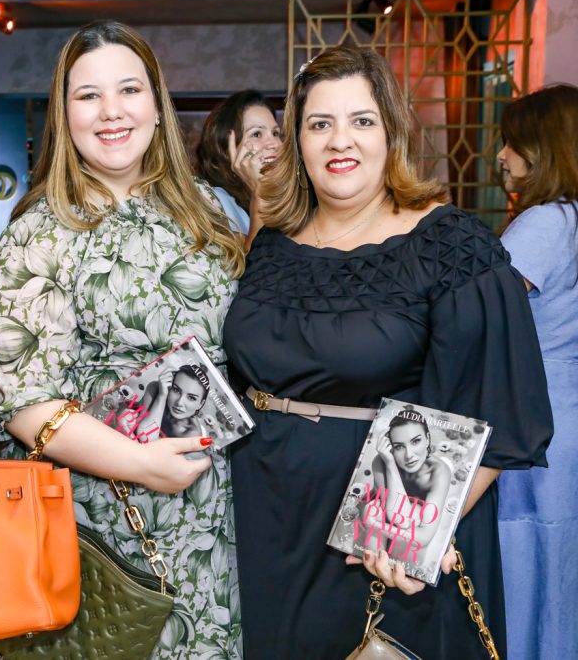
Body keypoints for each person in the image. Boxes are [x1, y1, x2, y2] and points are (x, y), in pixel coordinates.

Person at [223, 46, 553, 659]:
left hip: (380, 527)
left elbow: (503, 408)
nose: (339, 140)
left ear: (392, 131)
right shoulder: (270, 243)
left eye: (361, 120)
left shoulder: (449, 243)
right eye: (320, 124)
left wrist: (412, 528)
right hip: (266, 514)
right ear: (297, 139)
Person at [0, 21, 245, 658]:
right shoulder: (38, 231)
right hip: (100, 522)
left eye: (128, 90)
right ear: (64, 115)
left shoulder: (207, 211)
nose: (111, 111)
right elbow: (24, 404)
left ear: (157, 106)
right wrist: (143, 467)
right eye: (87, 95)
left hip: (219, 515)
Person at [494, 83, 578, 660]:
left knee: (535, 577)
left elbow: (482, 325)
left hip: (541, 425)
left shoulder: (544, 225)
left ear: (544, 150)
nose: (501, 155)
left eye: (511, 143)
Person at [195, 90, 281, 247]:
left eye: (275, 133)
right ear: (226, 149)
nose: (275, 143)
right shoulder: (211, 203)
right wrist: (259, 192)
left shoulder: (288, 200)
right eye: (256, 134)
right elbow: (258, 267)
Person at [368, 409, 451, 553]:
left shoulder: (438, 472)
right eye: (399, 446)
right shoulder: (382, 461)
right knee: (372, 509)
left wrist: (373, 525)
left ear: (427, 438)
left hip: (411, 521)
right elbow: (394, 516)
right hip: (390, 513)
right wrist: (390, 464)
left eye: (416, 441)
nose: (409, 455)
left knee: (412, 516)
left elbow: (424, 538)